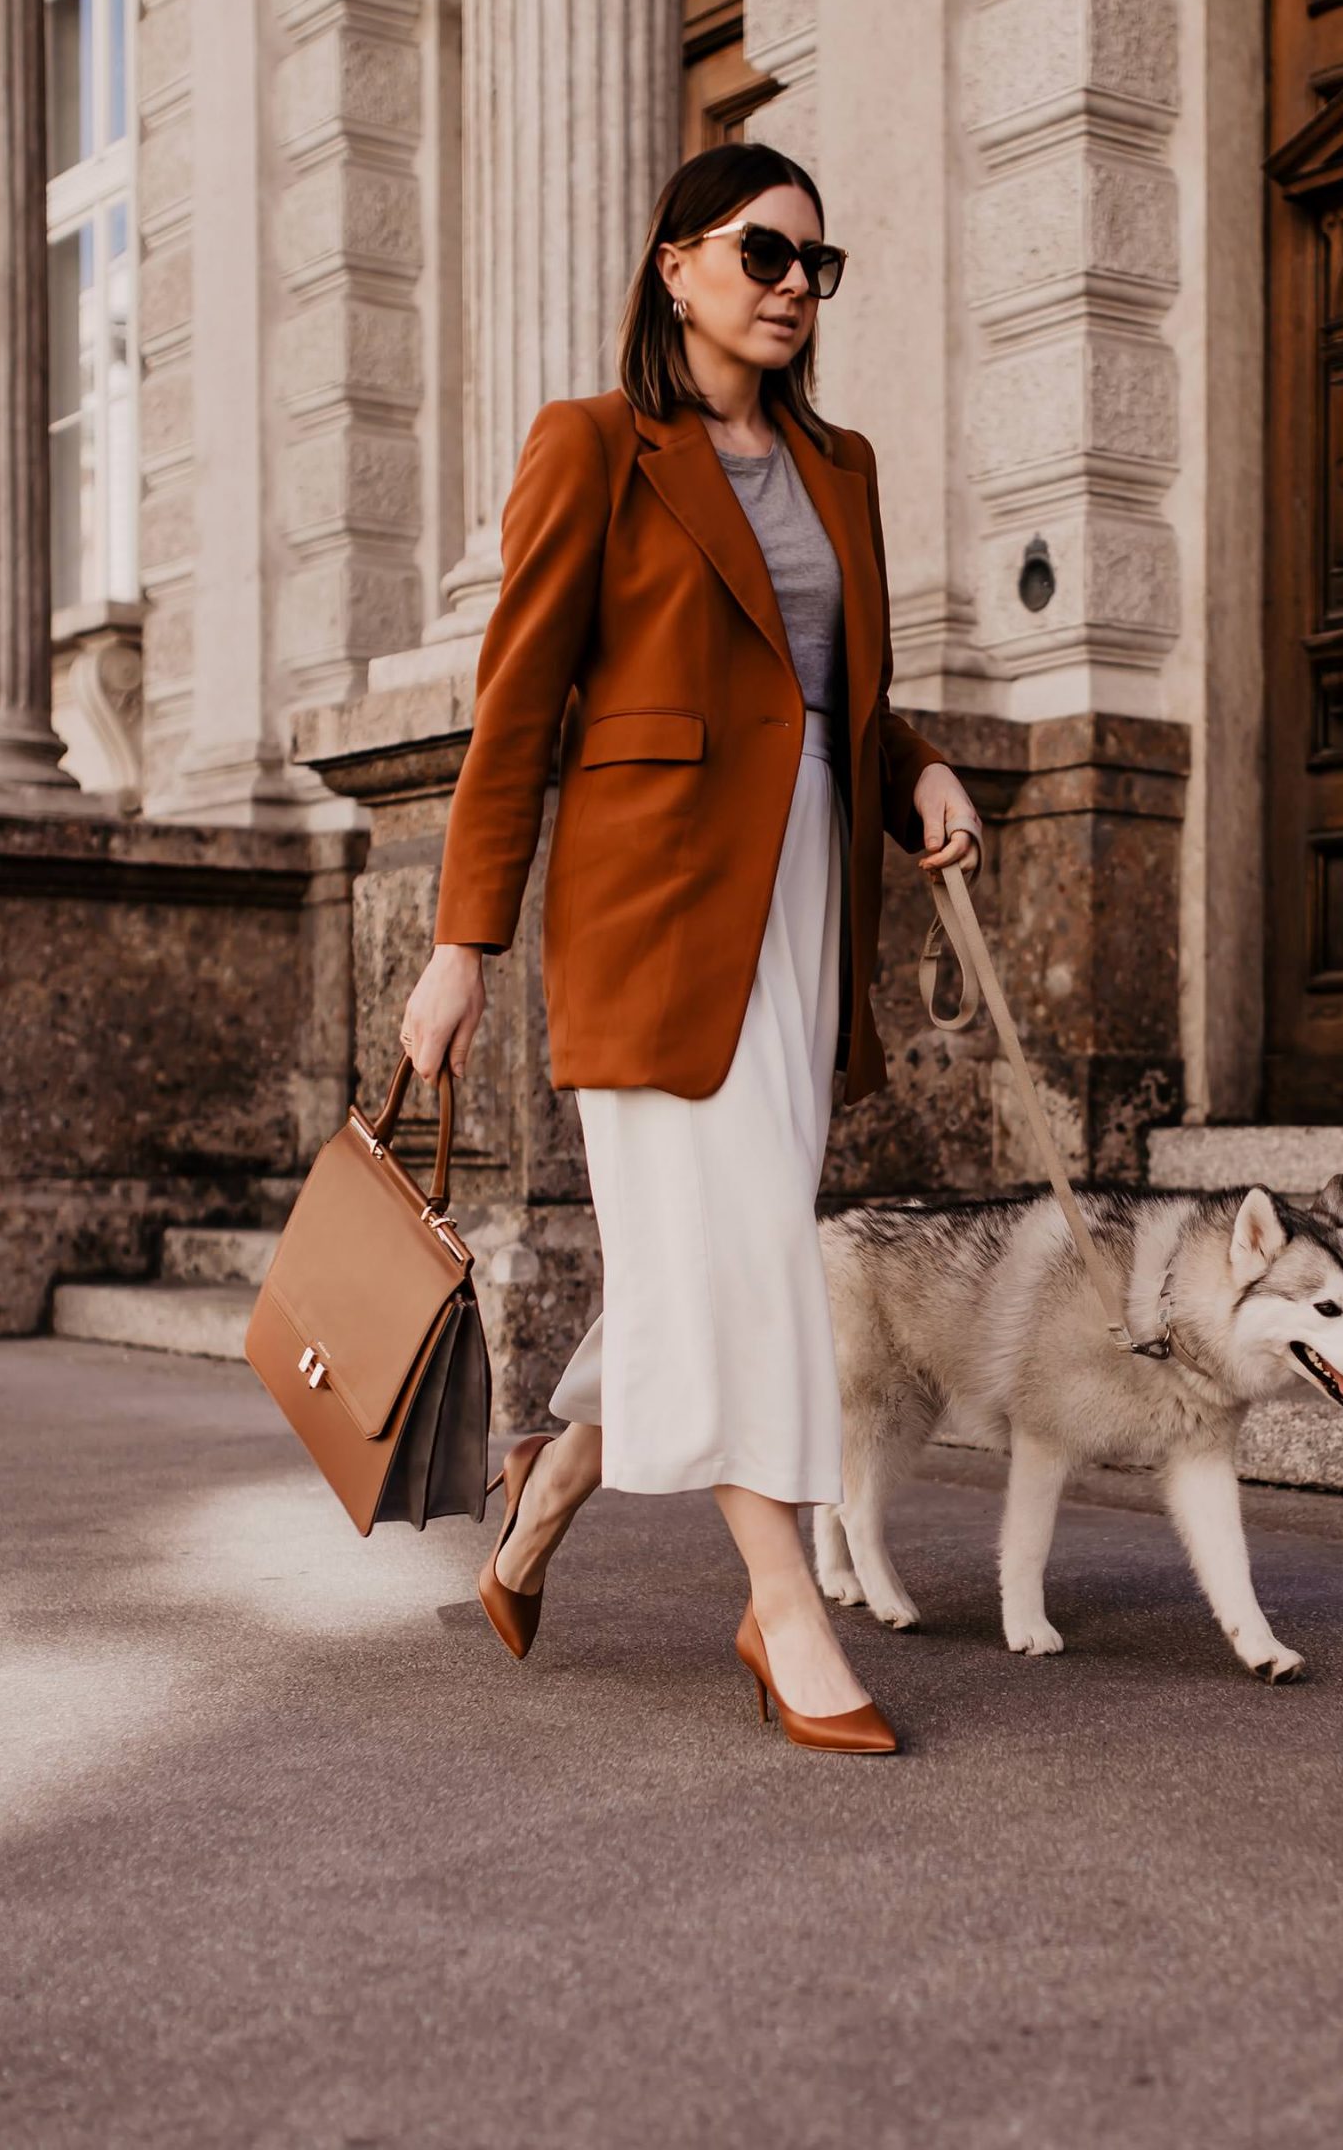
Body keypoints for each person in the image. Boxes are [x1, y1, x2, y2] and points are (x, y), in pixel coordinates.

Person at [399, 142, 983, 1754]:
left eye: (816, 264)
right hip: (651, 907)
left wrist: (915, 763)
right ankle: (780, 1598)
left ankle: (541, 1497)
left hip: (804, 895)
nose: (795, 286)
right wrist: (465, 942)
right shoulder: (594, 448)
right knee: (738, 1250)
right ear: (677, 266)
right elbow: (515, 711)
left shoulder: (839, 462)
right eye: (762, 254)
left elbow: (832, 684)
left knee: (709, 1252)